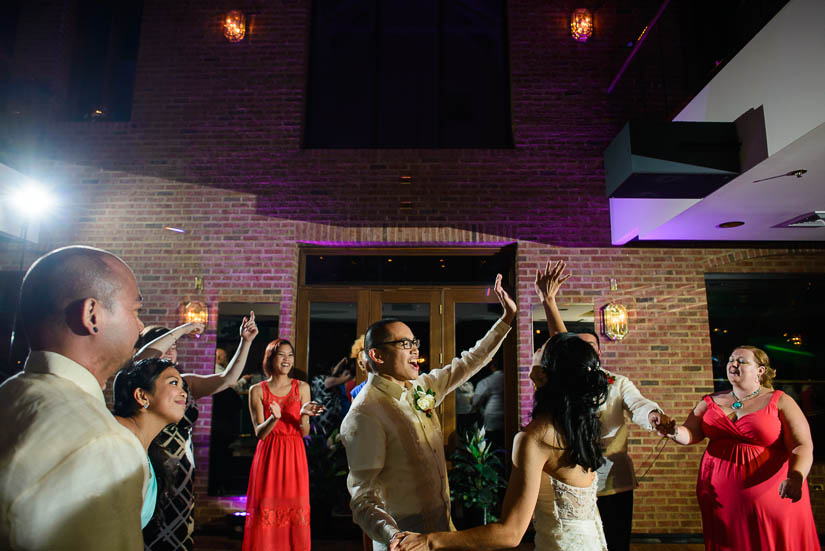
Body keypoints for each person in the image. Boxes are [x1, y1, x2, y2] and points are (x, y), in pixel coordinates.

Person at [340, 274, 516, 551]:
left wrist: (506, 320)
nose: (414, 351)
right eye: (404, 344)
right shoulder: (364, 414)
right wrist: (394, 537)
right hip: (404, 540)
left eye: (415, 343)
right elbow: (363, 498)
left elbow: (468, 363)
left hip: (442, 531)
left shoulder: (421, 386)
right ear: (376, 355)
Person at [397, 333, 609, 551]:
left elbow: (511, 533)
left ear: (544, 374)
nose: (536, 350)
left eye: (541, 349)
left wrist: (430, 540)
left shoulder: (535, 438)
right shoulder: (580, 425)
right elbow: (574, 358)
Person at [0, 245, 147, 550]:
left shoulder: (9, 394)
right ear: (92, 315)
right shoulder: (101, 442)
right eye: (135, 310)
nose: (140, 326)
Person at [535, 260, 666, 551]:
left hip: (613, 482)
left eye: (591, 347)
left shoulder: (618, 382)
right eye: (578, 350)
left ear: (600, 352)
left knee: (617, 543)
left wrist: (653, 415)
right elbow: (561, 343)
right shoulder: (566, 387)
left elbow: (638, 404)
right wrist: (549, 301)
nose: (585, 354)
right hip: (573, 481)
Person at [658, 346, 819, 550]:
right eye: (731, 360)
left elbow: (802, 444)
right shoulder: (710, 401)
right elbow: (690, 434)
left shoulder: (780, 401)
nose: (733, 364)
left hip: (771, 494)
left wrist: (796, 476)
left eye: (741, 361)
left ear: (760, 370)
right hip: (721, 496)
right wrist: (672, 431)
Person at [135, 312, 259, 551]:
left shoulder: (185, 383)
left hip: (181, 474)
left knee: (177, 538)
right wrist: (184, 328)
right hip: (149, 467)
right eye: (166, 346)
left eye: (174, 347)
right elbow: (145, 359)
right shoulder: (138, 383)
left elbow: (227, 378)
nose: (171, 352)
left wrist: (246, 342)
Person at [243, 338, 325, 551]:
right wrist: (274, 418)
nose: (287, 359)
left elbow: (304, 431)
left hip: (294, 453)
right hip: (269, 454)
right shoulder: (257, 390)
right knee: (267, 507)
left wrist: (304, 416)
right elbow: (260, 434)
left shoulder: (302, 388)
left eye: (290, 355)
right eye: (282, 355)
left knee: (293, 508)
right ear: (271, 358)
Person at [113, 358, 188, 528]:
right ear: (142, 395)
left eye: (182, 386)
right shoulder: (117, 431)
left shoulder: (149, 451)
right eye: (174, 383)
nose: (183, 393)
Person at [311, 356, 356, 436]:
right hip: (325, 419)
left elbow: (333, 374)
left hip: (318, 417)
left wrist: (342, 362)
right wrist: (353, 371)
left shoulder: (316, 379)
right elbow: (345, 378)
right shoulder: (327, 381)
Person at [471, 362, 505, 449]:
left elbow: (476, 402)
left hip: (492, 420)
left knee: (492, 447)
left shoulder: (487, 381)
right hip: (508, 419)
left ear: (492, 366)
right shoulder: (510, 378)